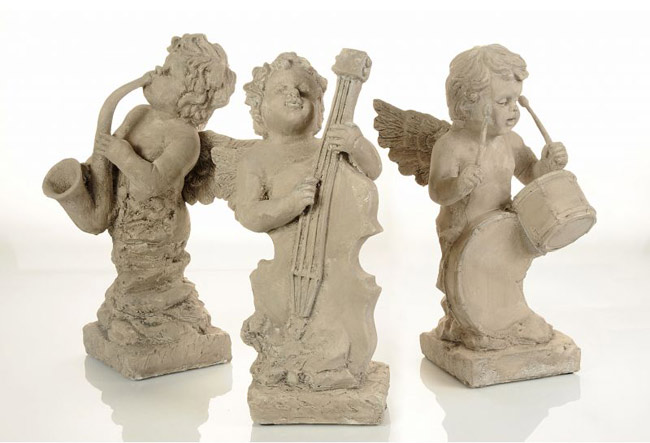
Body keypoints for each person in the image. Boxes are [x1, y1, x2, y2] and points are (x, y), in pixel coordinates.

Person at [234, 52, 382, 389]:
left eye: (304, 91)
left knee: (336, 322)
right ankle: (288, 361)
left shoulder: (329, 147)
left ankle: (332, 366)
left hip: (333, 269)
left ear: (319, 105)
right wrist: (289, 204)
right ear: (259, 106)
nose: (294, 95)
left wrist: (356, 144)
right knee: (283, 318)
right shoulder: (256, 159)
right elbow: (249, 214)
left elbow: (373, 171)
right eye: (281, 90)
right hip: (287, 270)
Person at [92, 34, 236, 347]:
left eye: (169, 72)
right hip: (127, 217)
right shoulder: (139, 114)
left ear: (190, 95)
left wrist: (122, 155)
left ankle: (156, 322)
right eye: (163, 65)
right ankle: (129, 315)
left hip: (158, 227)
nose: (157, 71)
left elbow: (154, 183)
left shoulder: (185, 138)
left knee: (149, 275)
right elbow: (107, 157)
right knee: (127, 266)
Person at [429, 44, 568, 348]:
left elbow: (530, 173)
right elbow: (437, 191)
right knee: (466, 283)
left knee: (502, 280)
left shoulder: (511, 142)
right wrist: (459, 185)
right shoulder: (451, 146)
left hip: (501, 232)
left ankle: (504, 322)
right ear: (469, 102)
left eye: (517, 100)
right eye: (503, 101)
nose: (514, 109)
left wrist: (547, 164)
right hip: (463, 230)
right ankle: (463, 323)